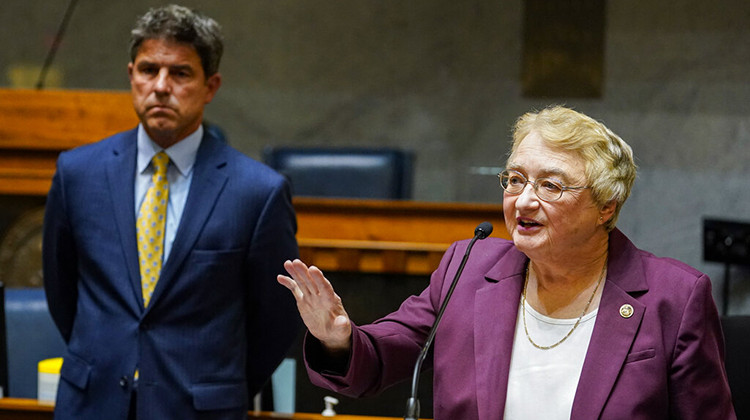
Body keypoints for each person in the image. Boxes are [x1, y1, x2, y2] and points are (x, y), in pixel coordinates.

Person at [277, 106, 736, 419]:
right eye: (515, 180)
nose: (524, 201)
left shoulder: (671, 298)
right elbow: (379, 360)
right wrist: (337, 338)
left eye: (552, 186)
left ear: (606, 207)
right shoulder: (471, 266)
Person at [43, 5, 301, 419]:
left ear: (210, 85)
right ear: (131, 75)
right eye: (148, 70)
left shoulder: (258, 192)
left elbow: (276, 320)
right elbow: (62, 291)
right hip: (93, 402)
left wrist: (217, 386)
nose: (161, 86)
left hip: (199, 408)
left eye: (180, 73)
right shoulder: (77, 173)